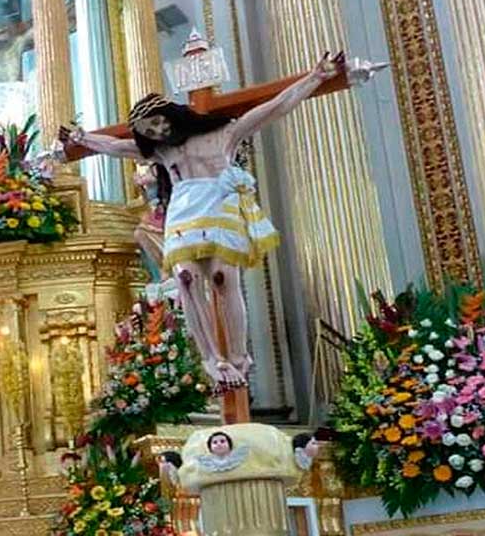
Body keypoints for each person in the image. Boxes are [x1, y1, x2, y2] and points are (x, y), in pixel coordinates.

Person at [59, 52, 347, 389]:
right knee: (186, 280)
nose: (157, 131)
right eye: (148, 130)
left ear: (172, 114)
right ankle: (212, 358)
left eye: (158, 122)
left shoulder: (225, 132)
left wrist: (316, 77)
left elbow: (275, 106)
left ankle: (239, 357)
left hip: (218, 205)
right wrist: (82, 139)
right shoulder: (161, 153)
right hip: (183, 210)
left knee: (224, 277)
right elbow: (114, 146)